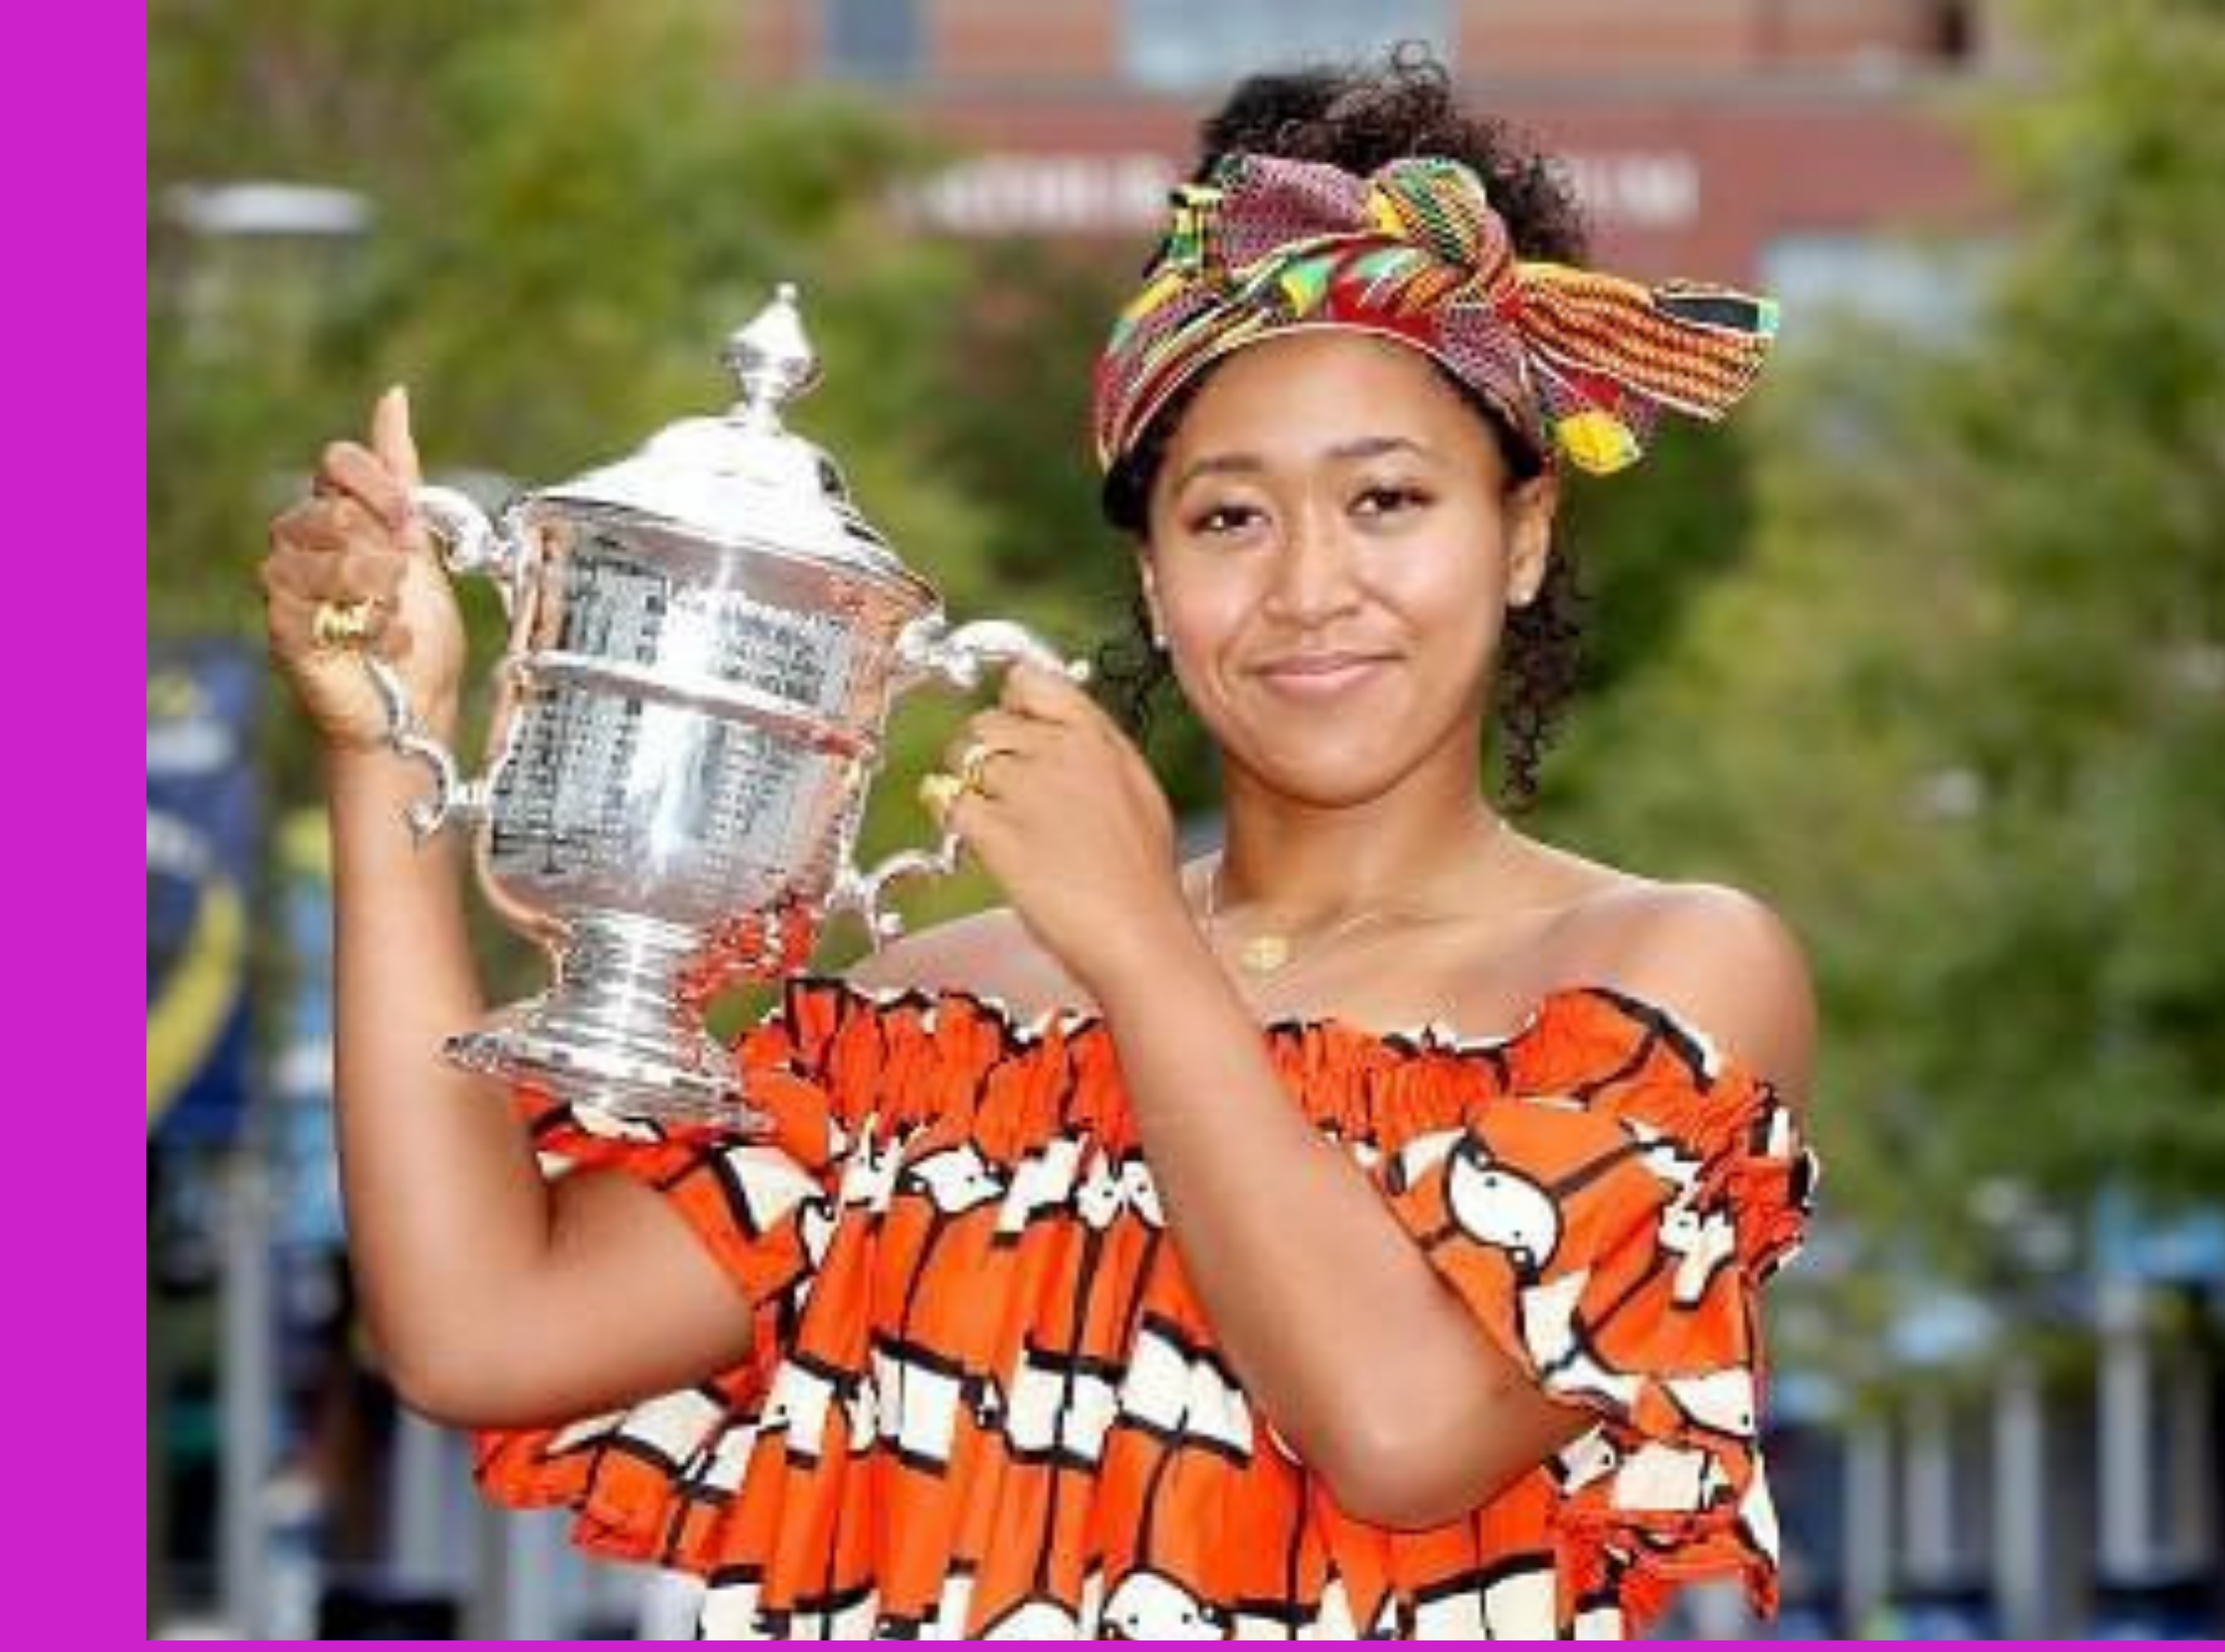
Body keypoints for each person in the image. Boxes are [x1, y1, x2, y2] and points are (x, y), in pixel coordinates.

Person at [259, 53, 1819, 1640]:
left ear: (1525, 535)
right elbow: (477, 1331)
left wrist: (1139, 945)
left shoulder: (1661, 974)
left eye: (1389, 501)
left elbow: (1407, 1432)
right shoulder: (939, 1022)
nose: (1307, 589)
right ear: (1151, 580)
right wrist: (385, 739)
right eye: (1228, 518)